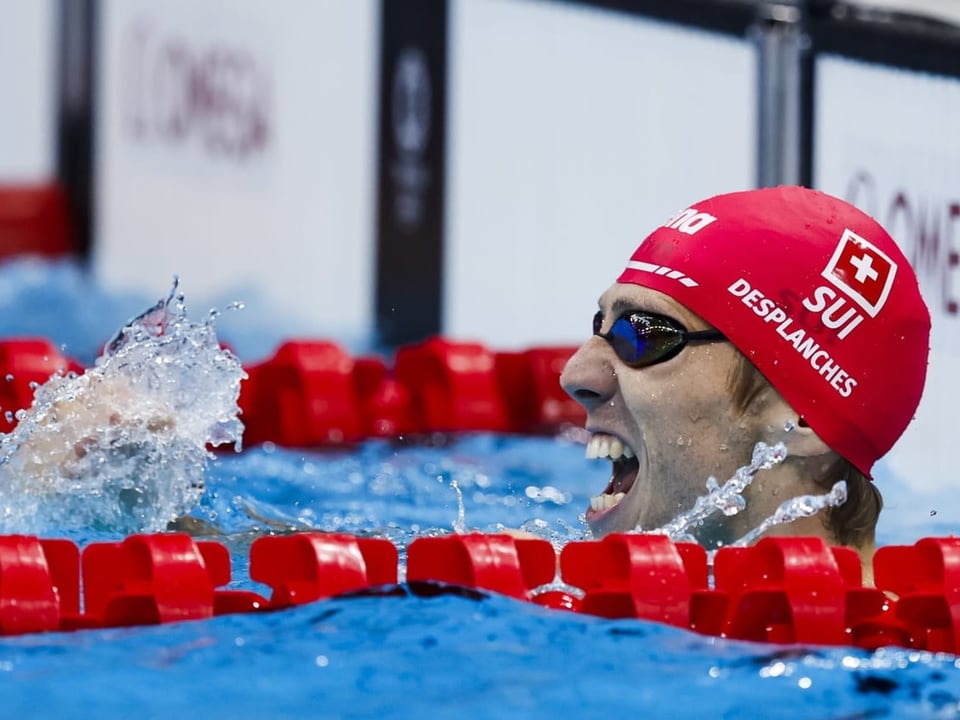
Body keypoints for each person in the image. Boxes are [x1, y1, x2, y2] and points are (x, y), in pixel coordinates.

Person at [560, 185, 930, 579]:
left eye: (647, 335)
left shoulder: (910, 642)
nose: (575, 375)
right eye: (601, 325)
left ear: (802, 418)